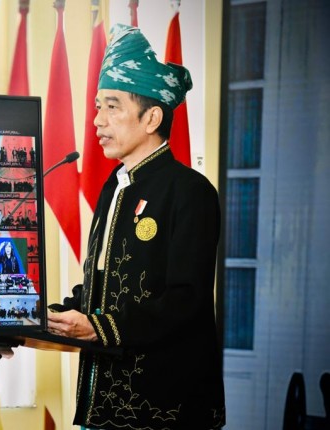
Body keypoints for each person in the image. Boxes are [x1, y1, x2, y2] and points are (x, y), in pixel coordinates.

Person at [46, 24, 225, 429]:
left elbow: (185, 299)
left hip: (164, 408)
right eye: (96, 107)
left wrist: (98, 327)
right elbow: (105, 280)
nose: (97, 121)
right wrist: (58, 315)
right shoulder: (115, 185)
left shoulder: (191, 192)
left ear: (152, 117)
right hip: (102, 404)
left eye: (112, 106)